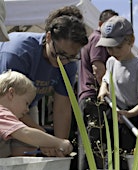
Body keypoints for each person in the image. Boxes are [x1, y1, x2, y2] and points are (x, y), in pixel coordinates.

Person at [0, 6, 88, 155]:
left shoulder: (68, 63)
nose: (63, 61)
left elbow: (62, 108)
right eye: (59, 54)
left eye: (70, 57)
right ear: (48, 37)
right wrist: (49, 139)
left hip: (25, 104)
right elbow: (12, 112)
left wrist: (59, 147)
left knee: (27, 154)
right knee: (4, 152)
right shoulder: (18, 52)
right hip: (7, 104)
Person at [96, 16, 138, 170]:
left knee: (130, 161)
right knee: (112, 157)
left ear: (131, 41)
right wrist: (103, 87)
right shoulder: (111, 61)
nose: (113, 52)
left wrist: (128, 114)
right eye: (109, 48)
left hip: (133, 118)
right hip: (115, 115)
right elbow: (106, 79)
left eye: (118, 47)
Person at [77, 9, 118, 170]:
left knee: (87, 143)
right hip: (94, 96)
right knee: (96, 144)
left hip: (86, 95)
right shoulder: (99, 39)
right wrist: (110, 92)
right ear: (101, 25)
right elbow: (98, 68)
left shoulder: (90, 39)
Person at [0, 70, 73, 157]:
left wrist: (46, 143)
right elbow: (26, 133)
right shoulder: (2, 114)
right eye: (26, 103)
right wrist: (59, 142)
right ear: (11, 93)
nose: (27, 110)